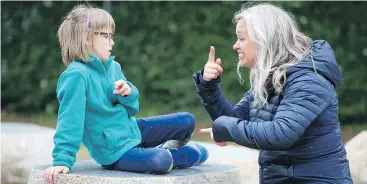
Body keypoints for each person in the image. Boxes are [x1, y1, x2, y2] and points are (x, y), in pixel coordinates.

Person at [44, 4, 208, 184]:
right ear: (86, 39)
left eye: (111, 36)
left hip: (132, 130)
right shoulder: (76, 76)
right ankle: (171, 155)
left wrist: (127, 94)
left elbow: (132, 109)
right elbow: (70, 120)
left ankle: (164, 148)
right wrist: (62, 159)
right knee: (161, 160)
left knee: (187, 120)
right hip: (114, 151)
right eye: (107, 36)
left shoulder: (113, 67)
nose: (112, 42)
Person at [194, 3, 352, 184]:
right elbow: (235, 119)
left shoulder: (309, 79)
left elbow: (281, 133)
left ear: (264, 39)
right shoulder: (270, 77)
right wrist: (209, 87)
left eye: (241, 38)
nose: (235, 45)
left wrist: (224, 129)